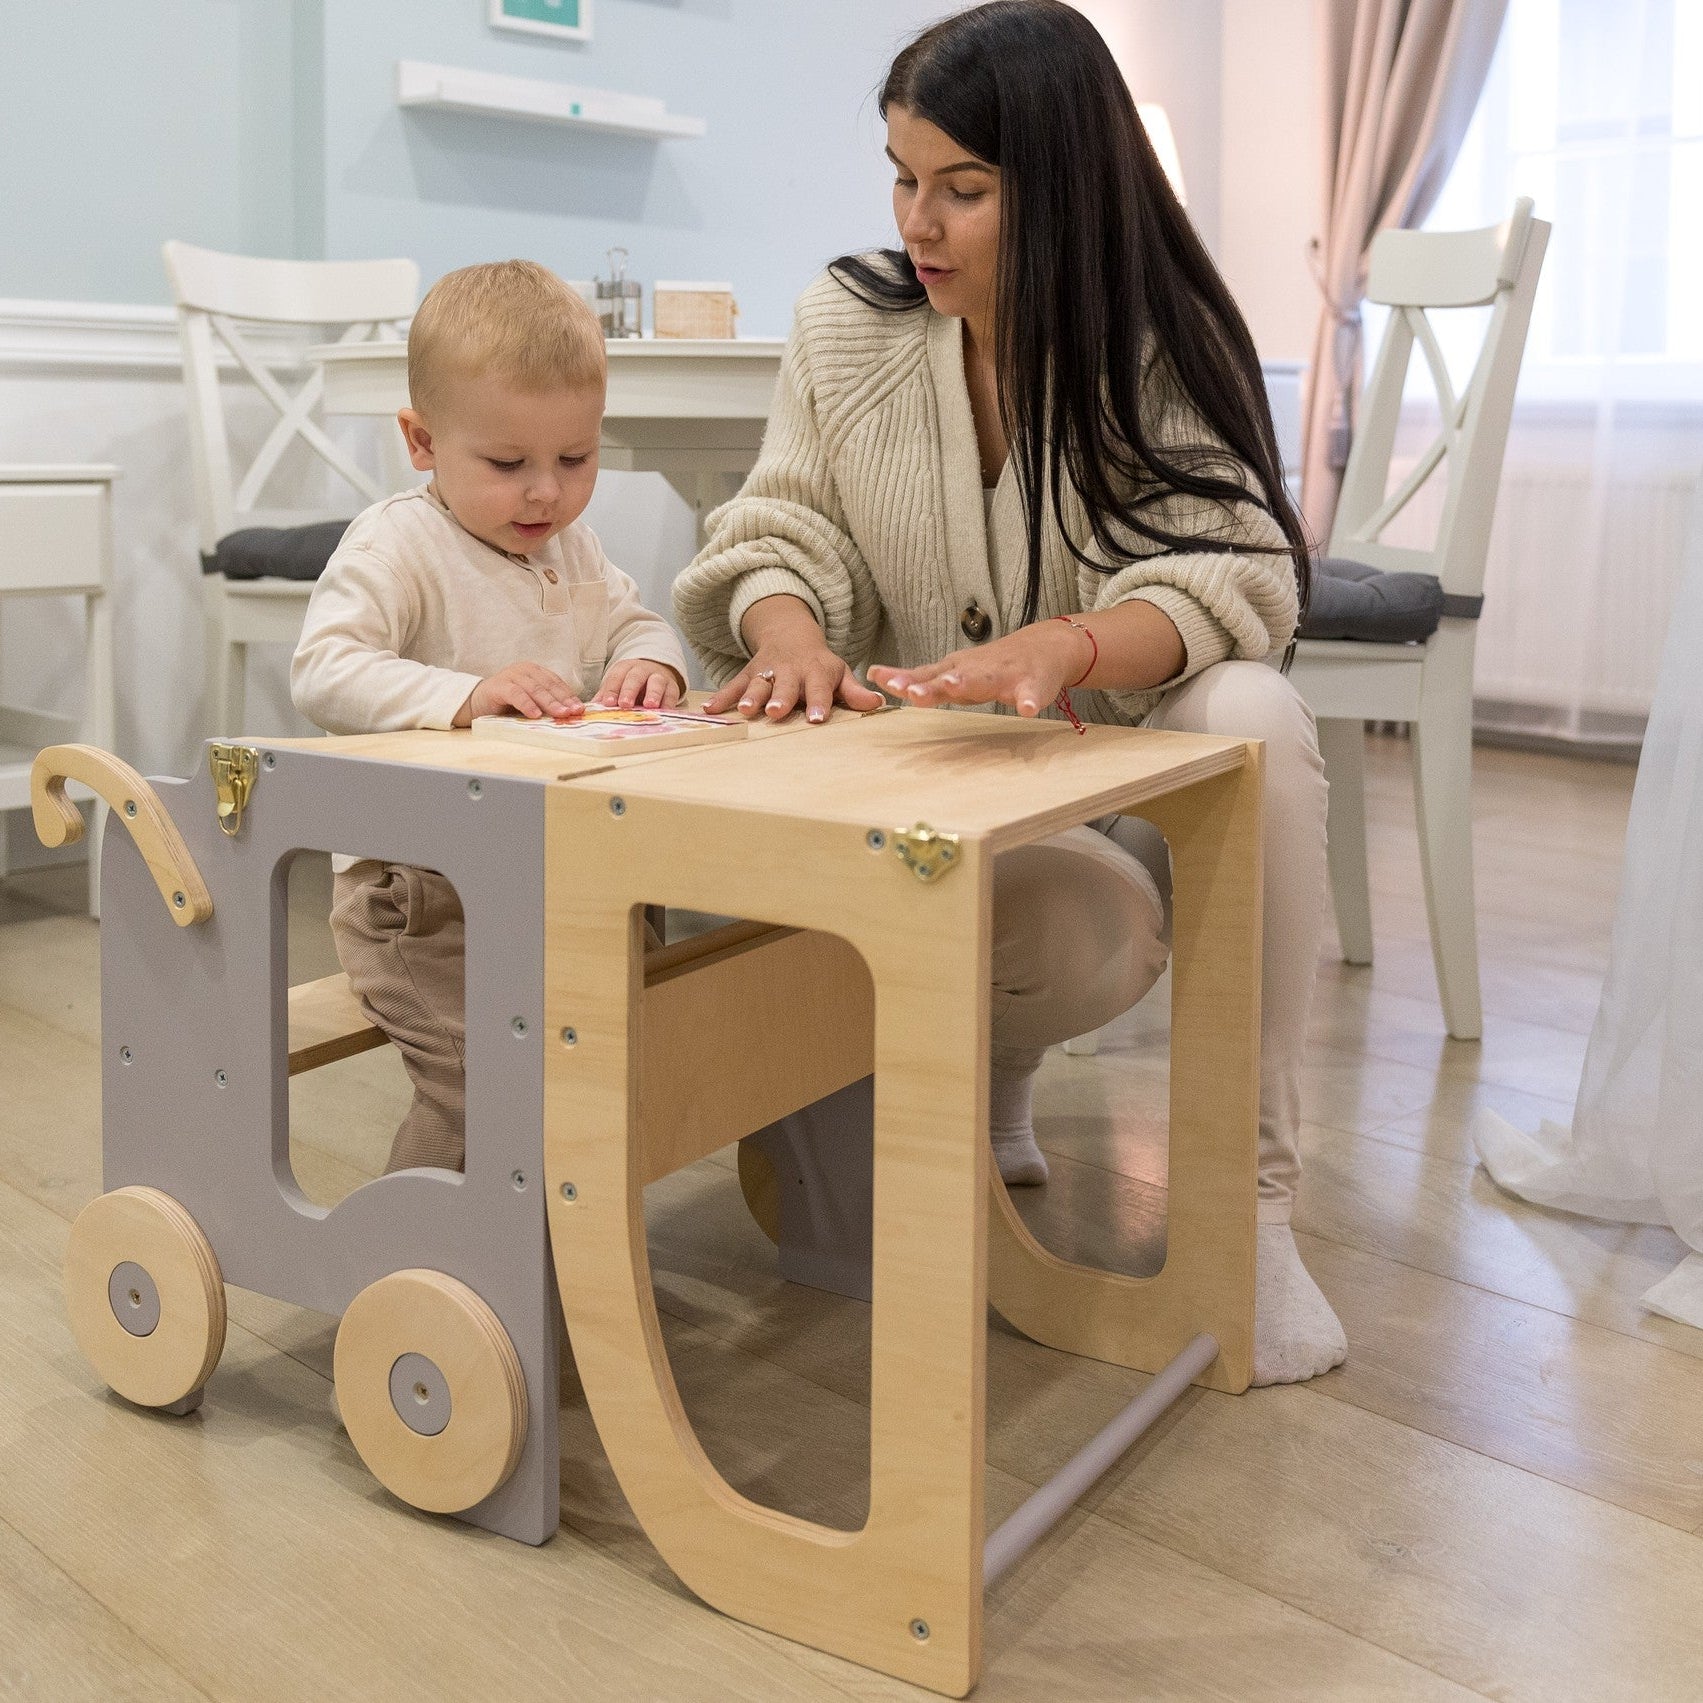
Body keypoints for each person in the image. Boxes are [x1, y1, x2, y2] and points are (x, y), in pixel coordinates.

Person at [673, 0, 1343, 1384]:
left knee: (1253, 716)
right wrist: (784, 631)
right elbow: (774, 523)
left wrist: (1068, 648)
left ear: (1063, 184)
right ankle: (979, 1072)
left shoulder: (1160, 337)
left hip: (1114, 786)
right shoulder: (844, 323)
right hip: (931, 808)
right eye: (900, 179)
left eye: (962, 189)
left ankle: (1251, 1209)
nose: (917, 224)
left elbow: (1237, 571)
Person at [292, 259, 687, 1175]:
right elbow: (324, 668)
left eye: (575, 459)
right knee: (483, 1083)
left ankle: (562, 1224)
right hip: (418, 893)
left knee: (637, 1034)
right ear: (422, 441)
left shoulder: (572, 546)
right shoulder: (398, 544)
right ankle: (425, 1243)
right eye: (508, 465)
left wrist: (648, 657)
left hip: (563, 867)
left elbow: (634, 619)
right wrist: (461, 695)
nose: (546, 492)